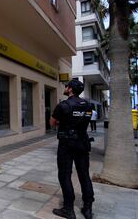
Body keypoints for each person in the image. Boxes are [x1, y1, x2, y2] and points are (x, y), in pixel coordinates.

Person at [49, 79, 94, 219]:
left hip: (67, 144)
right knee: (84, 175)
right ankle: (87, 208)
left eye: (66, 86)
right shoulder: (87, 105)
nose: (65, 87)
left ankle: (68, 209)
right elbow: (86, 120)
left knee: (64, 174)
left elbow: (52, 123)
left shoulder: (63, 105)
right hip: (83, 143)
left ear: (70, 89)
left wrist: (64, 122)